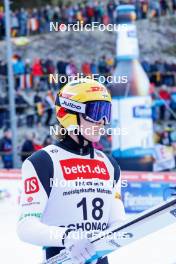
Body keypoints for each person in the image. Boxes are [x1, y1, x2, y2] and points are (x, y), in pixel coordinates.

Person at [17, 78, 126, 264]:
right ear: (70, 114)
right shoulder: (43, 162)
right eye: (96, 112)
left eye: (106, 112)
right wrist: (68, 237)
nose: (102, 121)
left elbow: (117, 221)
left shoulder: (110, 165)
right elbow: (26, 227)